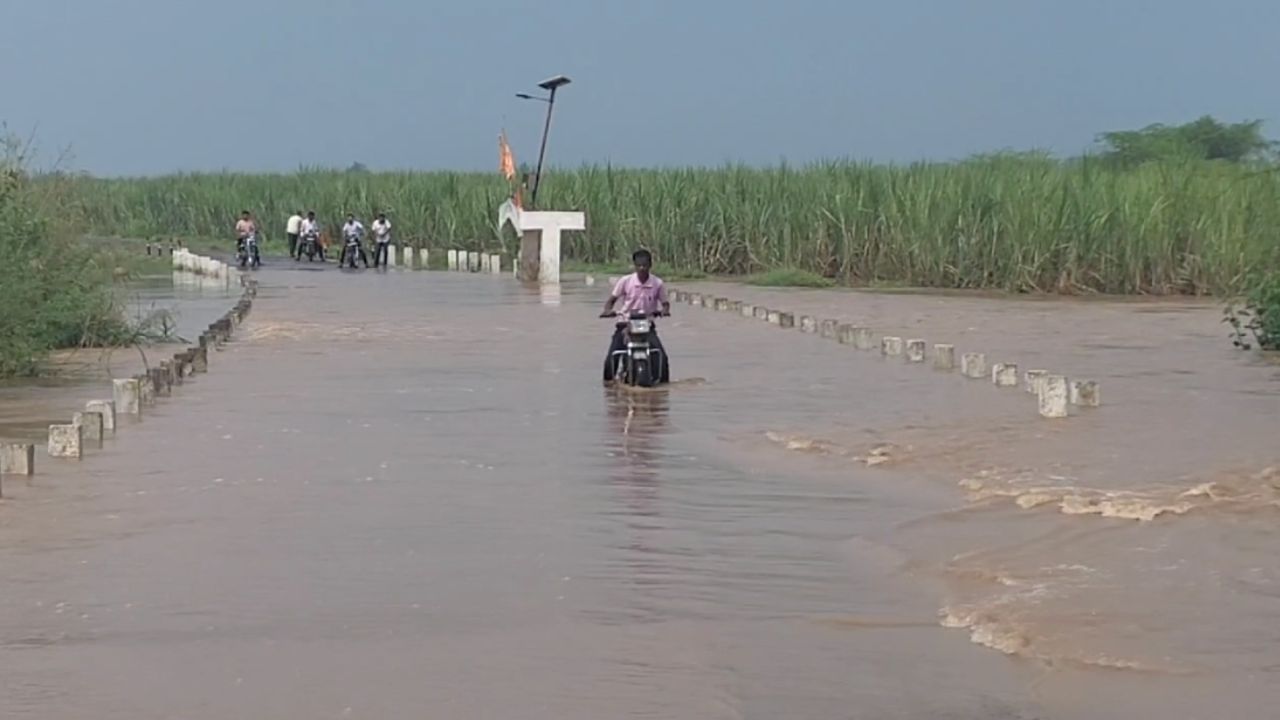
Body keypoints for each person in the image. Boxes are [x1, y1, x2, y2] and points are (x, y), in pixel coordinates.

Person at [599, 248, 671, 383]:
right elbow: (611, 301)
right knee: (611, 357)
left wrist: (664, 310)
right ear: (635, 266)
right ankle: (608, 385)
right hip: (625, 323)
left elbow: (665, 303)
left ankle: (662, 383)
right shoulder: (625, 281)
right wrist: (608, 310)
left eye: (645, 265)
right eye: (639, 266)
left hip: (647, 325)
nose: (642, 269)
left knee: (662, 356)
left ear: (650, 265)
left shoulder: (657, 283)